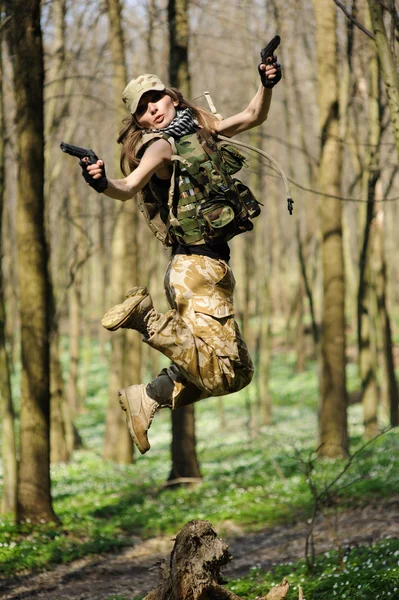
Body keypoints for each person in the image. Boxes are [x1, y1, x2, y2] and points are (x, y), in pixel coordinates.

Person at [81, 53, 281, 454]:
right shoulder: (160, 148)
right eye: (142, 109)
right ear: (138, 121)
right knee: (226, 375)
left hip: (211, 266)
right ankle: (147, 319)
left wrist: (266, 82)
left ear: (170, 97)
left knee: (227, 370)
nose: (151, 109)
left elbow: (252, 115)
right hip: (192, 270)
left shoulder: (200, 131)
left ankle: (148, 396)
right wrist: (102, 182)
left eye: (154, 98)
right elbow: (129, 185)